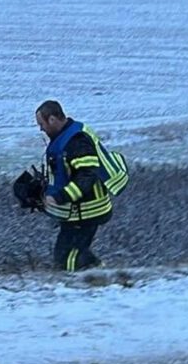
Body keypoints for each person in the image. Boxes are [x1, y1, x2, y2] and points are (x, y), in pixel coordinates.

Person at [33, 100, 124, 272]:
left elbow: (86, 177)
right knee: (65, 254)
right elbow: (65, 172)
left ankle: (89, 279)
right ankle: (100, 274)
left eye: (41, 124)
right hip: (77, 210)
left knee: (69, 258)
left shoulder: (77, 141)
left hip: (89, 210)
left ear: (52, 119)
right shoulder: (65, 136)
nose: (41, 129)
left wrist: (59, 197)